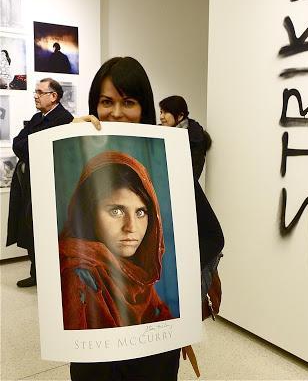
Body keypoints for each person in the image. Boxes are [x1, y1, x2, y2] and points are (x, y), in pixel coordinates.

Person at [71, 56, 224, 380]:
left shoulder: (169, 161)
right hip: (94, 343)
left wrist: (180, 294)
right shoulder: (83, 160)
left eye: (128, 102)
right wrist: (70, 142)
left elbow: (212, 235)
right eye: (106, 101)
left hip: (155, 339)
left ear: (145, 107)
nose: (115, 112)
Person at [59, 150, 173, 329]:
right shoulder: (77, 275)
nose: (131, 227)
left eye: (141, 212)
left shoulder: (138, 273)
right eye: (116, 211)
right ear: (88, 212)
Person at [6, 78, 74, 287]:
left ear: (53, 96)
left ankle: (50, 279)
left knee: (45, 232)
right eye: (35, 91)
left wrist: (31, 145)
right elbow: (18, 144)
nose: (35, 95)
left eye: (39, 92)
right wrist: (32, 145)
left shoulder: (63, 119)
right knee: (29, 228)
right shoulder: (38, 118)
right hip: (28, 183)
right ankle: (36, 274)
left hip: (49, 186)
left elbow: (42, 148)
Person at [159, 95, 211, 180]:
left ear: (180, 116)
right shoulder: (158, 131)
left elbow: (193, 175)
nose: (161, 117)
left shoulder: (195, 138)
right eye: (161, 112)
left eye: (165, 112)